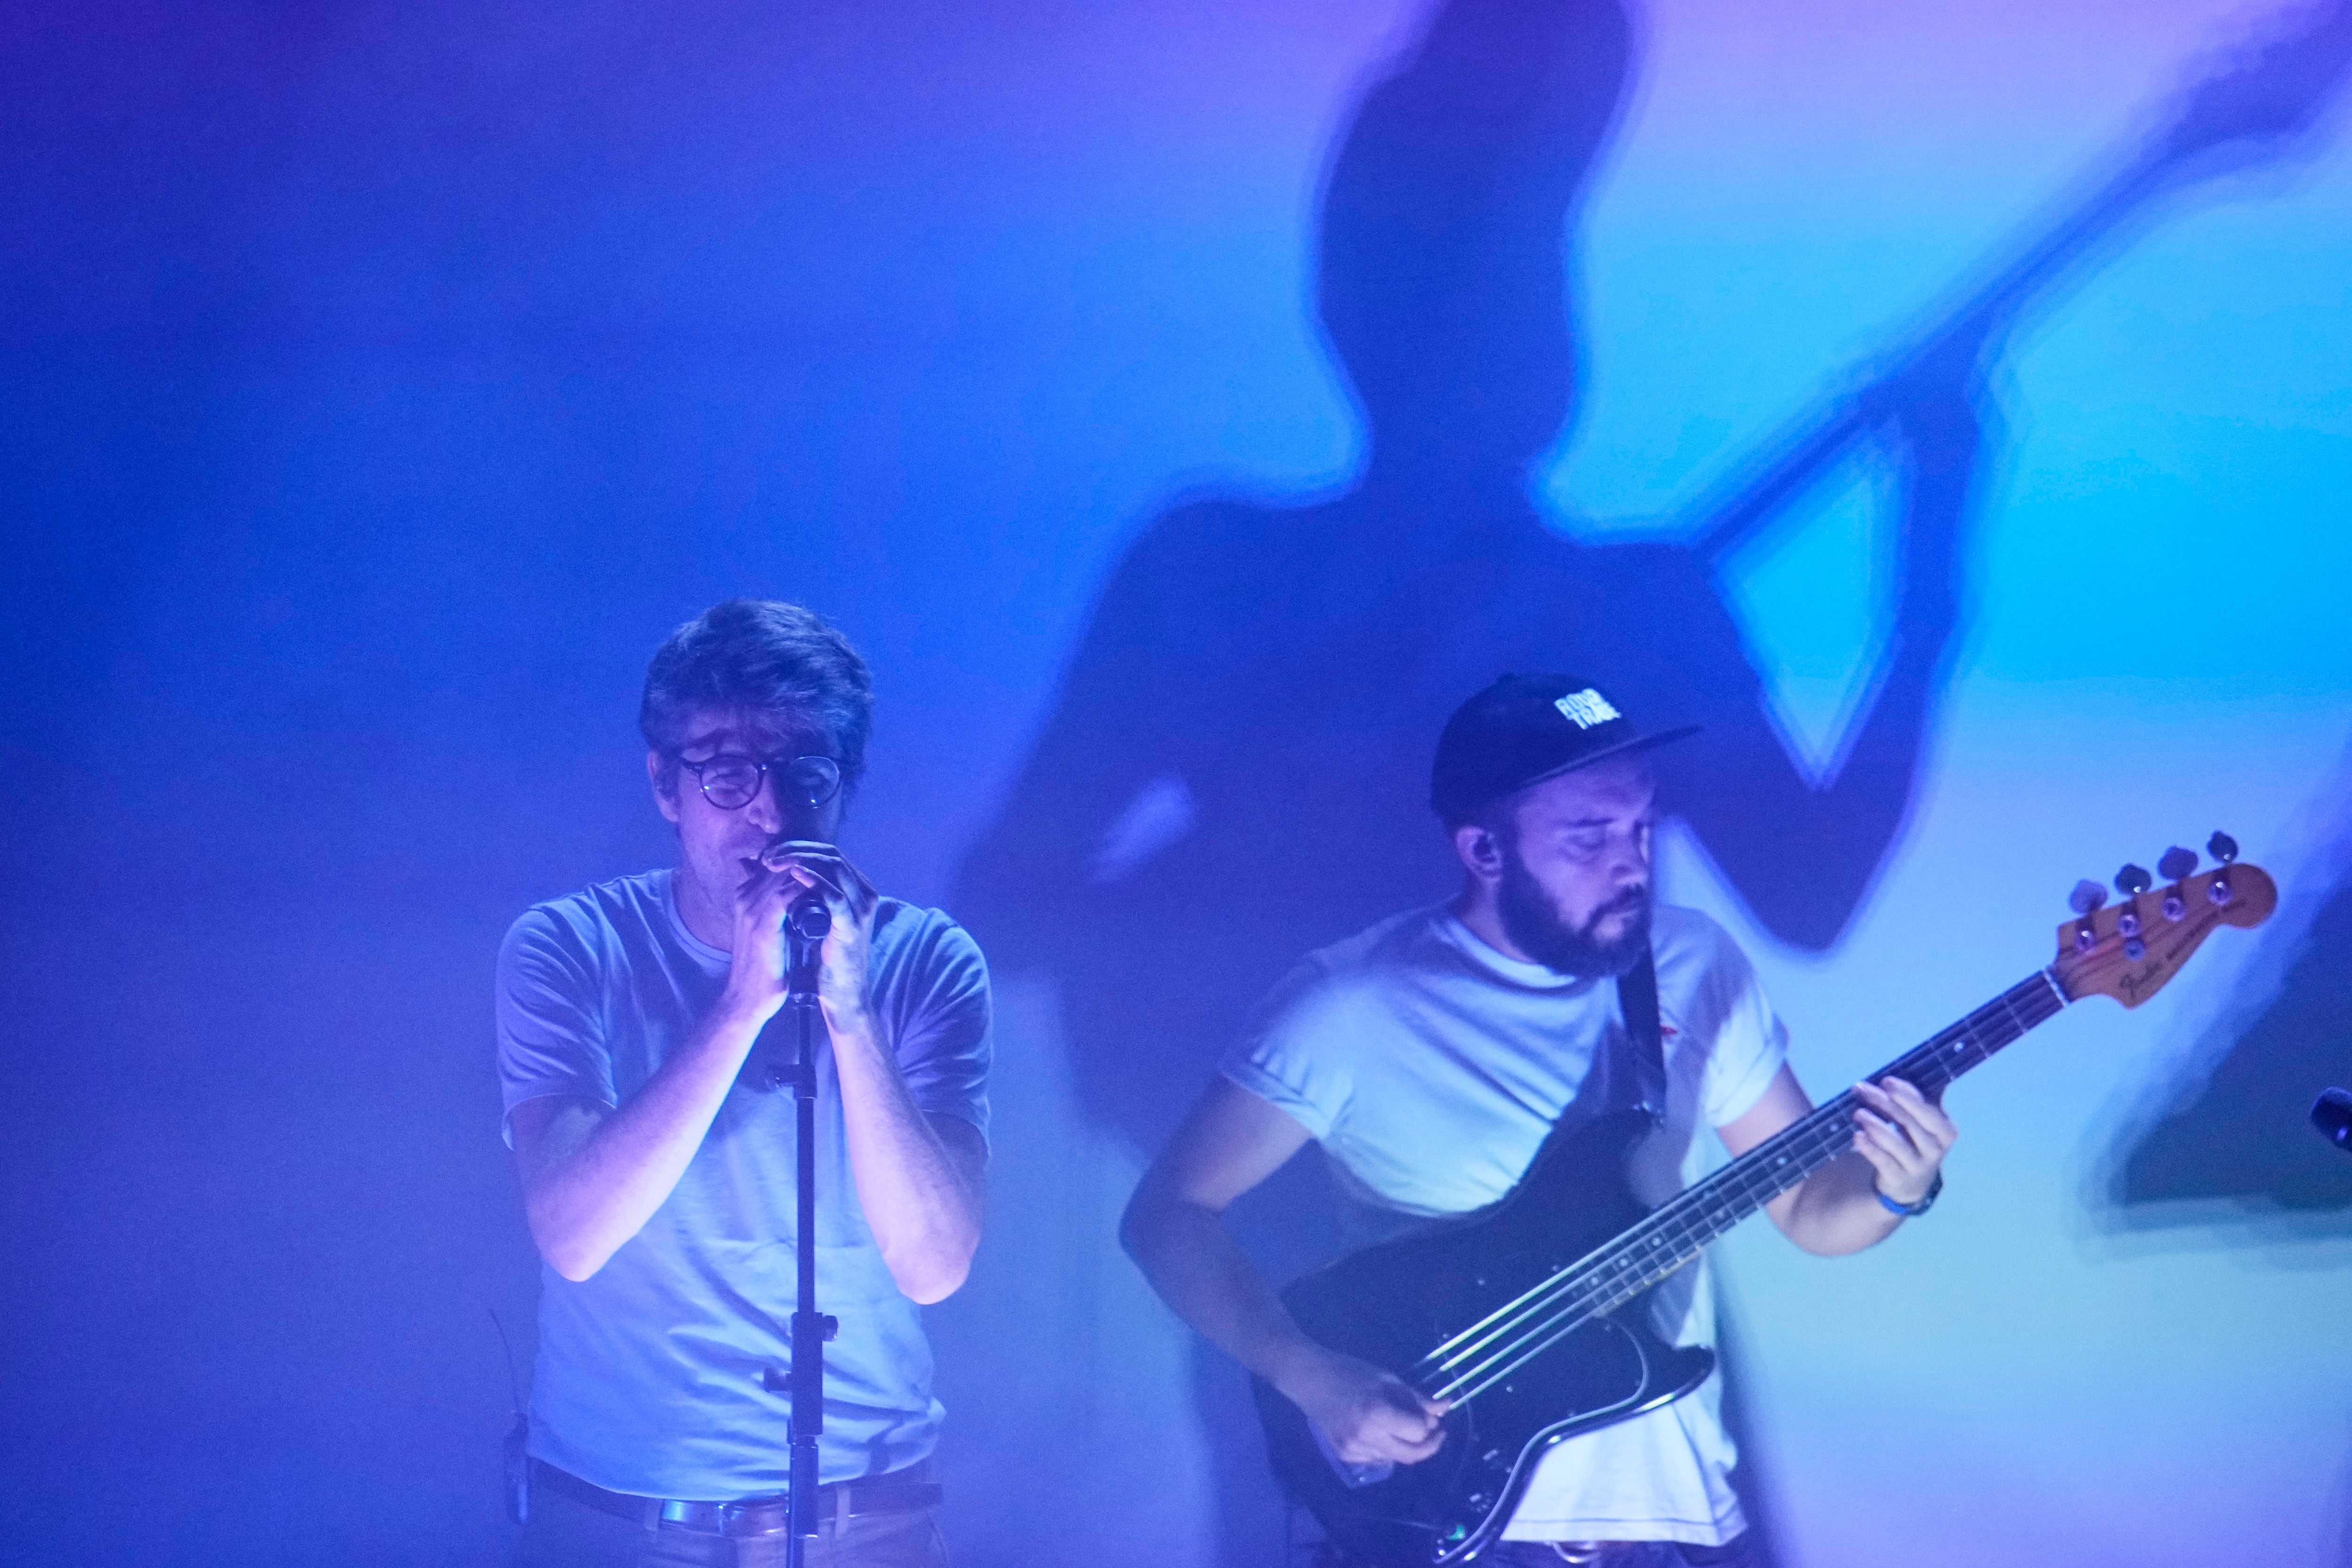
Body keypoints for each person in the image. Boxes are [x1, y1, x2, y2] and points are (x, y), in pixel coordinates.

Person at [1120, 674, 1959, 1567]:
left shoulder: (1691, 960)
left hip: (1659, 1517)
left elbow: (1807, 1209)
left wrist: (1899, 1188)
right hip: (1443, 1519)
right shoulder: (1353, 1004)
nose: (1631, 862)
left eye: (1640, 827)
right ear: (1484, 849)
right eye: (1588, 836)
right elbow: (1168, 1214)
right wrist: (1309, 1374)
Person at [497, 598, 990, 1568]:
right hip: (619, 1514)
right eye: (727, 772)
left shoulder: (926, 959)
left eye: (804, 773)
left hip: (864, 1514)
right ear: (664, 785)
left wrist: (847, 1011)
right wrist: (741, 1003)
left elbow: (934, 1263)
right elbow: (572, 1232)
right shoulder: (567, 947)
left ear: (844, 783)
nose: (769, 811)